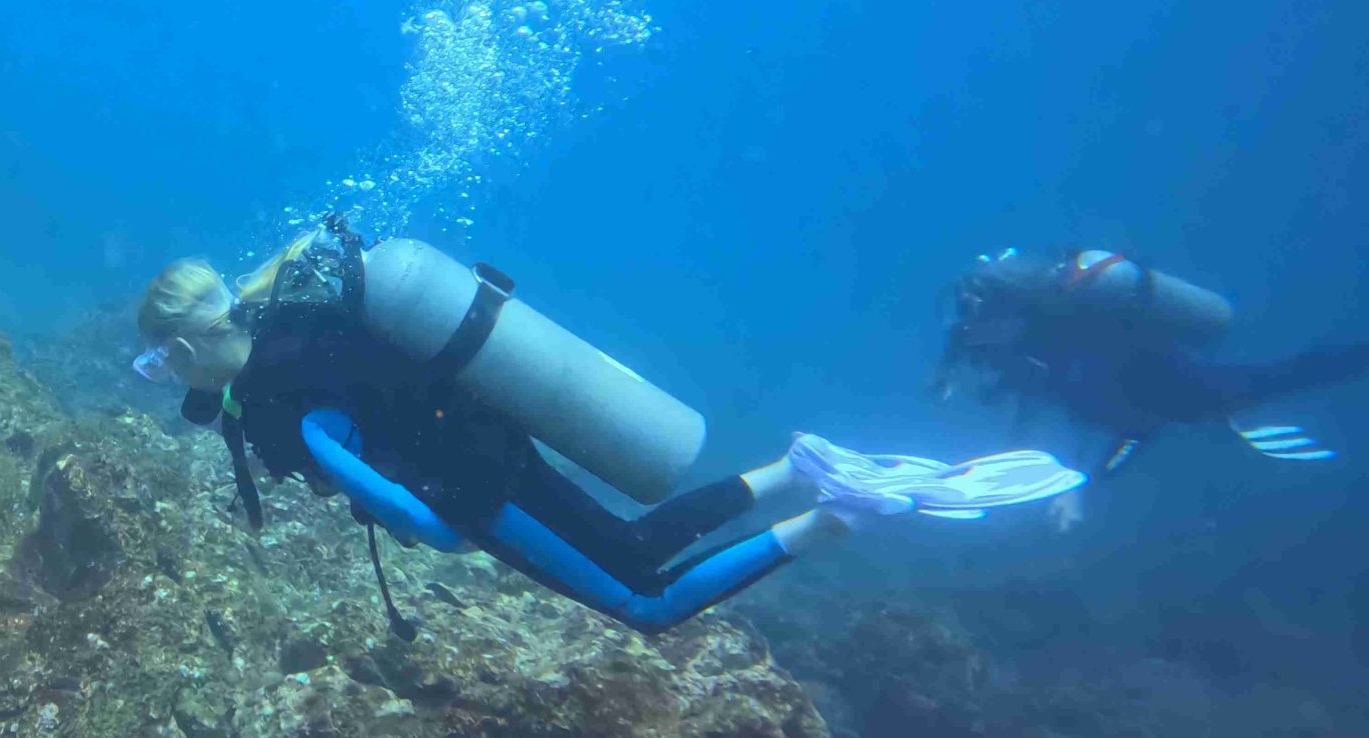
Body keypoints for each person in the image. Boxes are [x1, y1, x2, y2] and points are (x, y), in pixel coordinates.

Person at [136, 217, 1078, 635]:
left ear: (180, 346)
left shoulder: (284, 393)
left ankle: (830, 515)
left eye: (156, 359)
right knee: (631, 546)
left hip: (472, 490)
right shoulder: (288, 329)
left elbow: (390, 502)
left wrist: (446, 535)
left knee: (648, 604)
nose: (160, 377)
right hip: (487, 437)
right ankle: (795, 470)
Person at [939, 245, 1366, 479]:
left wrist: (1086, 482)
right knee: (1279, 379)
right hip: (1166, 397)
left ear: (1011, 314)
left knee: (1280, 380)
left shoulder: (1077, 349)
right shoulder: (1029, 346)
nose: (973, 335)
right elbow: (1037, 400)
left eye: (982, 320)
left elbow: (1134, 424)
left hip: (1190, 391)